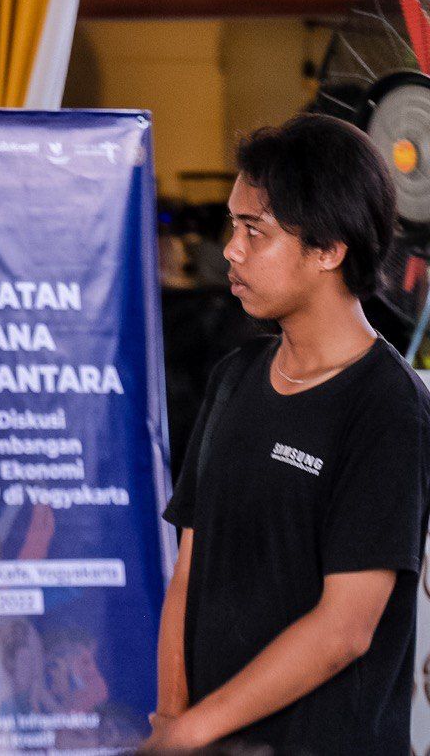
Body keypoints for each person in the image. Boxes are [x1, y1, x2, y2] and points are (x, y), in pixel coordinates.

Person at [145, 114, 430, 754]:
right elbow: (188, 574)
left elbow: (345, 629)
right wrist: (172, 719)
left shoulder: (387, 407)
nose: (231, 250)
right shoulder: (234, 378)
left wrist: (193, 729)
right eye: (233, 226)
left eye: (255, 231)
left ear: (329, 250)